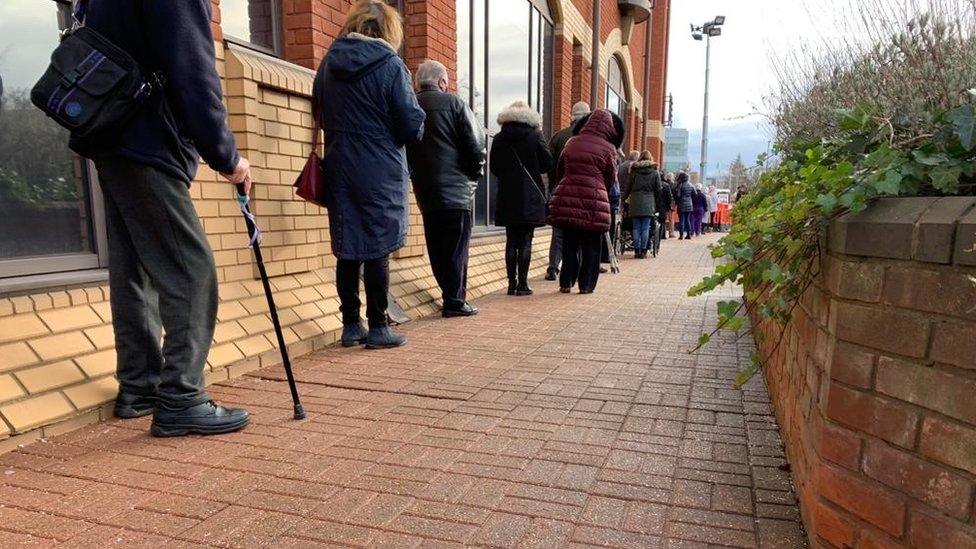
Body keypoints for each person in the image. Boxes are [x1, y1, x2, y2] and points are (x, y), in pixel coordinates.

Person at [76, 0, 251, 436]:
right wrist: (227, 158)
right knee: (192, 270)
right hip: (147, 142)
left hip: (111, 138)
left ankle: (140, 388)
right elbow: (194, 74)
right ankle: (181, 397)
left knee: (134, 268)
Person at [313, 0, 426, 349]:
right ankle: (378, 326)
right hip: (379, 168)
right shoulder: (391, 66)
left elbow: (317, 109)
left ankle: (350, 325)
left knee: (347, 245)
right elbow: (410, 125)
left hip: (339, 164)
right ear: (389, 31)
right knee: (377, 246)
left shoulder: (328, 63)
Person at [407, 60, 486, 318]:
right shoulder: (454, 104)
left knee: (437, 248)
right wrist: (474, 176)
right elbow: (475, 145)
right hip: (456, 192)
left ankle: (448, 295)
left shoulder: (410, 105)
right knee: (456, 248)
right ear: (442, 82)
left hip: (426, 192)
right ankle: (454, 300)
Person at [548, 109, 624, 294]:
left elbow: (560, 169)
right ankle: (586, 285)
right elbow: (610, 178)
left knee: (569, 243)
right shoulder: (609, 148)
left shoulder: (571, 142)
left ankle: (566, 281)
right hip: (595, 201)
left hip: (569, 197)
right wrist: (599, 189)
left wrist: (564, 187)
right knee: (592, 246)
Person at [490, 101, 554, 296]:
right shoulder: (535, 135)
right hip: (530, 195)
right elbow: (548, 164)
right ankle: (523, 284)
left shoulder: (500, 137)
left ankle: (511, 284)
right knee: (526, 239)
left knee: (511, 240)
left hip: (508, 195)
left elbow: (494, 167)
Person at [545, 101, 591, 281]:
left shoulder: (558, 137)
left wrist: (554, 184)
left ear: (572, 116)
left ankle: (553, 267)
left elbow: (549, 164)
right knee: (579, 231)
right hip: (582, 192)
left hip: (560, 189)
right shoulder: (589, 139)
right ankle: (576, 269)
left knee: (558, 232)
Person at [622, 151, 662, 259]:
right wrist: (656, 201)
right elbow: (658, 189)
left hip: (635, 201)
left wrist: (624, 199)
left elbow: (628, 187)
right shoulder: (655, 172)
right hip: (649, 202)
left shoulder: (634, 171)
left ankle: (636, 250)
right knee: (645, 228)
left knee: (636, 227)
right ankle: (643, 251)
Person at [676, 172, 695, 240]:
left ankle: (681, 235)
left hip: (681, 204)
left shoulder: (680, 185)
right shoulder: (691, 185)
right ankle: (688, 234)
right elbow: (695, 194)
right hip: (689, 204)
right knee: (688, 220)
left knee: (681, 220)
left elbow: (678, 195)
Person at [659, 172, 675, 240]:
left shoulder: (658, 184)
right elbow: (670, 196)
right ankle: (669, 233)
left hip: (657, 204)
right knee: (667, 219)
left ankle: (661, 233)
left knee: (660, 219)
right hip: (666, 205)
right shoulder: (670, 185)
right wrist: (670, 204)